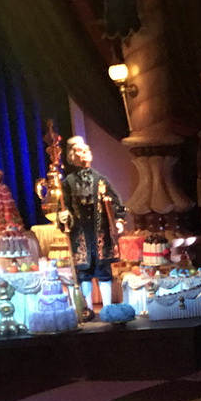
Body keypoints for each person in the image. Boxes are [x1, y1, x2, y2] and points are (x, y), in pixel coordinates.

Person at [58, 137, 126, 320]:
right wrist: (63, 217)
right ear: (72, 156)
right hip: (80, 234)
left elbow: (117, 204)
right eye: (79, 151)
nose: (84, 154)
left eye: (86, 150)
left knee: (103, 270)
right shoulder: (67, 183)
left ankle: (108, 309)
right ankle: (87, 309)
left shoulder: (101, 180)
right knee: (84, 273)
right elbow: (63, 208)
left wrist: (118, 221)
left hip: (100, 232)